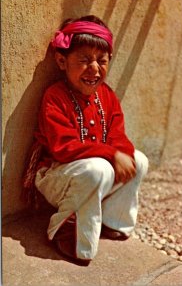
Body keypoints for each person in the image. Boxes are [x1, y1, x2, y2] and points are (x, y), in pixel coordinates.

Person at [24, 15, 148, 265]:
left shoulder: (107, 95)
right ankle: (68, 235)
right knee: (98, 168)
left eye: (101, 61)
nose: (94, 69)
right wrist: (112, 155)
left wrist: (121, 153)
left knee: (139, 160)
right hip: (55, 174)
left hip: (91, 173)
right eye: (84, 60)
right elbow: (64, 147)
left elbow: (117, 134)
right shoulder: (54, 97)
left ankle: (113, 221)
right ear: (62, 61)